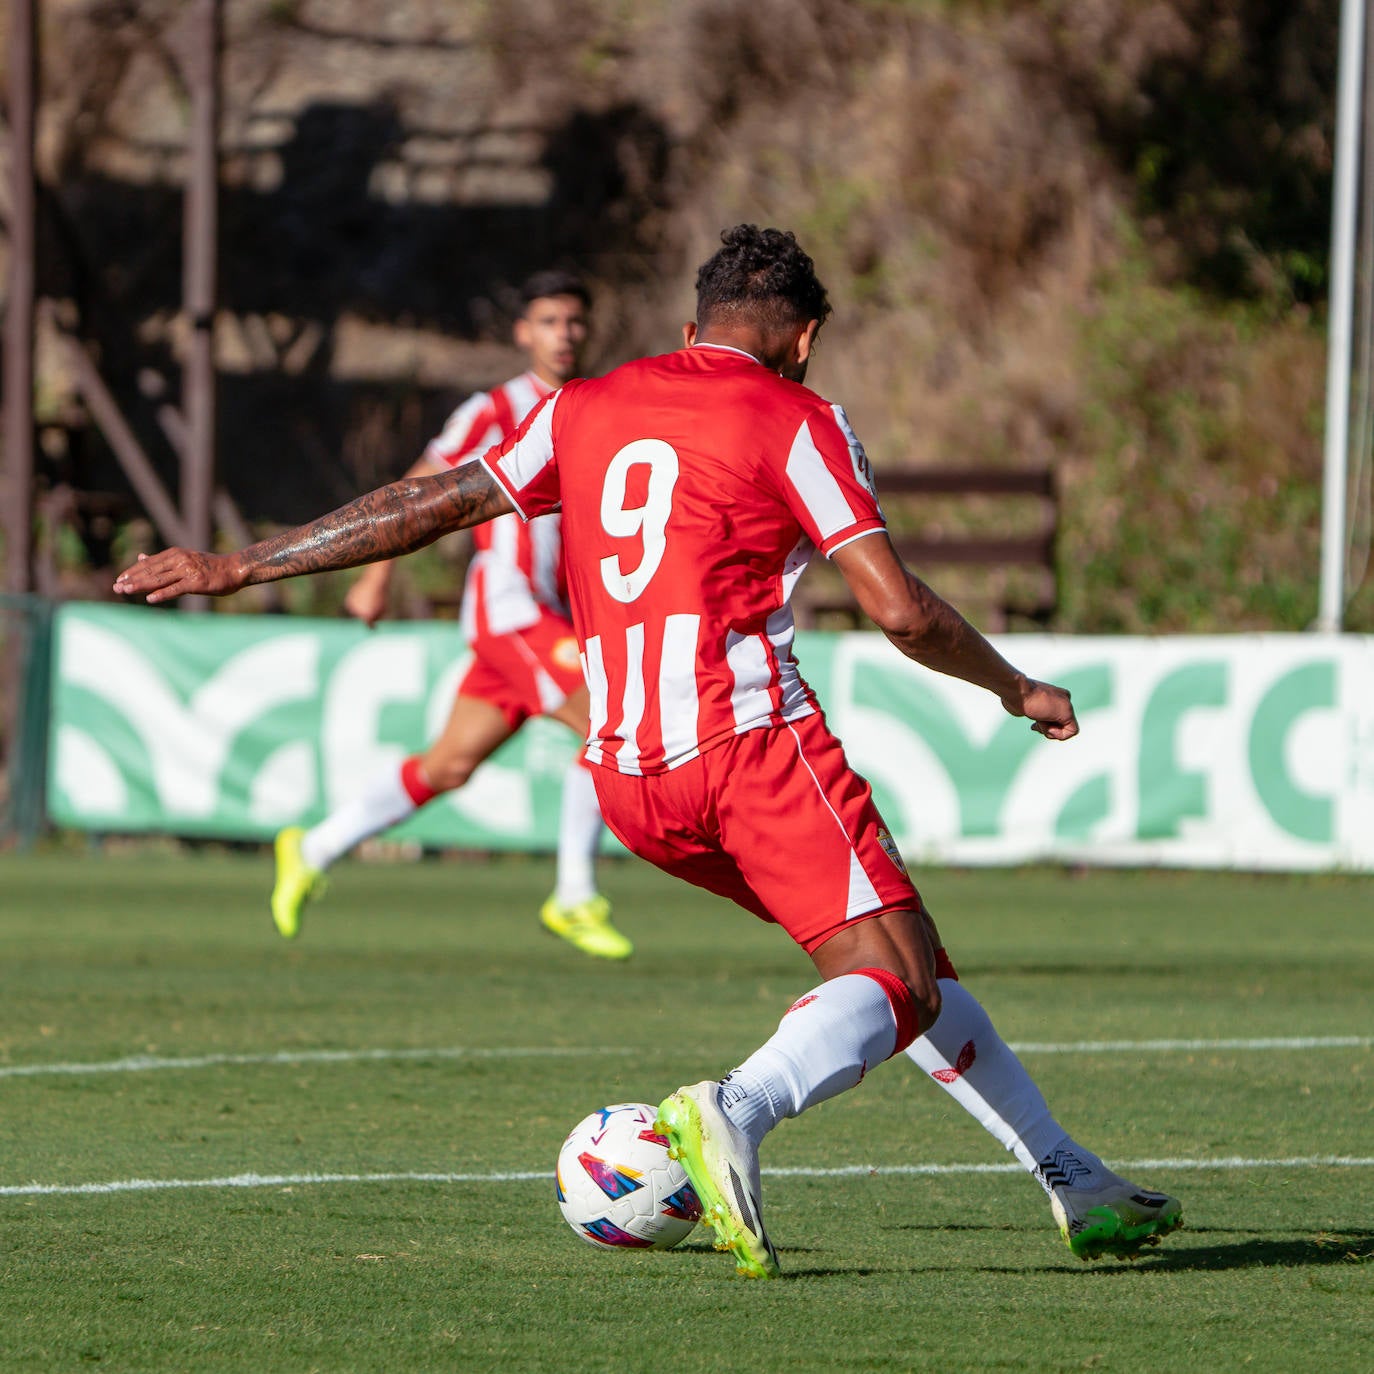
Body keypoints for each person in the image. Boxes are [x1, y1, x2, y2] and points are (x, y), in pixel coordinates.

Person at [114, 225, 1183, 1278]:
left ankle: (1071, 1178)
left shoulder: (581, 406)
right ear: (804, 339)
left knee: (906, 969)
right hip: (748, 743)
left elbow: (428, 505)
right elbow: (898, 611)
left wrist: (242, 565)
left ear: (689, 328)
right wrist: (1015, 685)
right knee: (893, 977)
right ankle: (735, 1108)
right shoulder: (802, 420)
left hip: (630, 781)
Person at [270, 269, 634, 960]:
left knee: (447, 766)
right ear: (525, 332)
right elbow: (417, 487)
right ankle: (575, 893)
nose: (565, 335)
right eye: (551, 322)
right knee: (611, 718)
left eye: (575, 322)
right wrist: (375, 578)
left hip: (552, 613)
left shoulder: (597, 406)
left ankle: (311, 847)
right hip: (510, 610)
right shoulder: (495, 409)